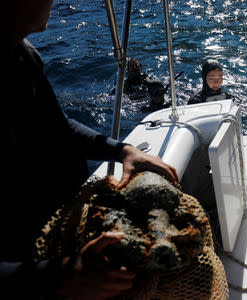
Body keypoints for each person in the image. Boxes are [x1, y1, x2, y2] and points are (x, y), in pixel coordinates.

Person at [2, 1, 178, 299]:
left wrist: (123, 150)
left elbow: (56, 126)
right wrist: (51, 278)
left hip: (58, 236)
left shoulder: (21, 53)